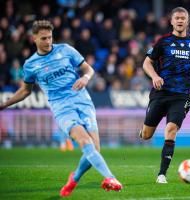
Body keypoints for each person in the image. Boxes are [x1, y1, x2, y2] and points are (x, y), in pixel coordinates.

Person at [0, 20, 122, 196]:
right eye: (43, 38)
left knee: (95, 149)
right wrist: (4, 104)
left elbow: (89, 70)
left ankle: (74, 178)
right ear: (33, 38)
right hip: (62, 108)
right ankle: (110, 177)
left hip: (82, 100)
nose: (48, 41)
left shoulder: (65, 50)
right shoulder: (31, 65)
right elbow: (26, 91)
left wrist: (86, 78)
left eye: (50, 37)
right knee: (85, 143)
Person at [139, 7, 190, 184]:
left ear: (187, 21)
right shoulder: (163, 42)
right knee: (146, 135)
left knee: (171, 130)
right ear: (171, 21)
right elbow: (147, 63)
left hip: (181, 96)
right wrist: (155, 76)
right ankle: (145, 128)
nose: (179, 21)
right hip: (160, 94)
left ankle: (162, 174)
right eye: (176, 18)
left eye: (182, 18)